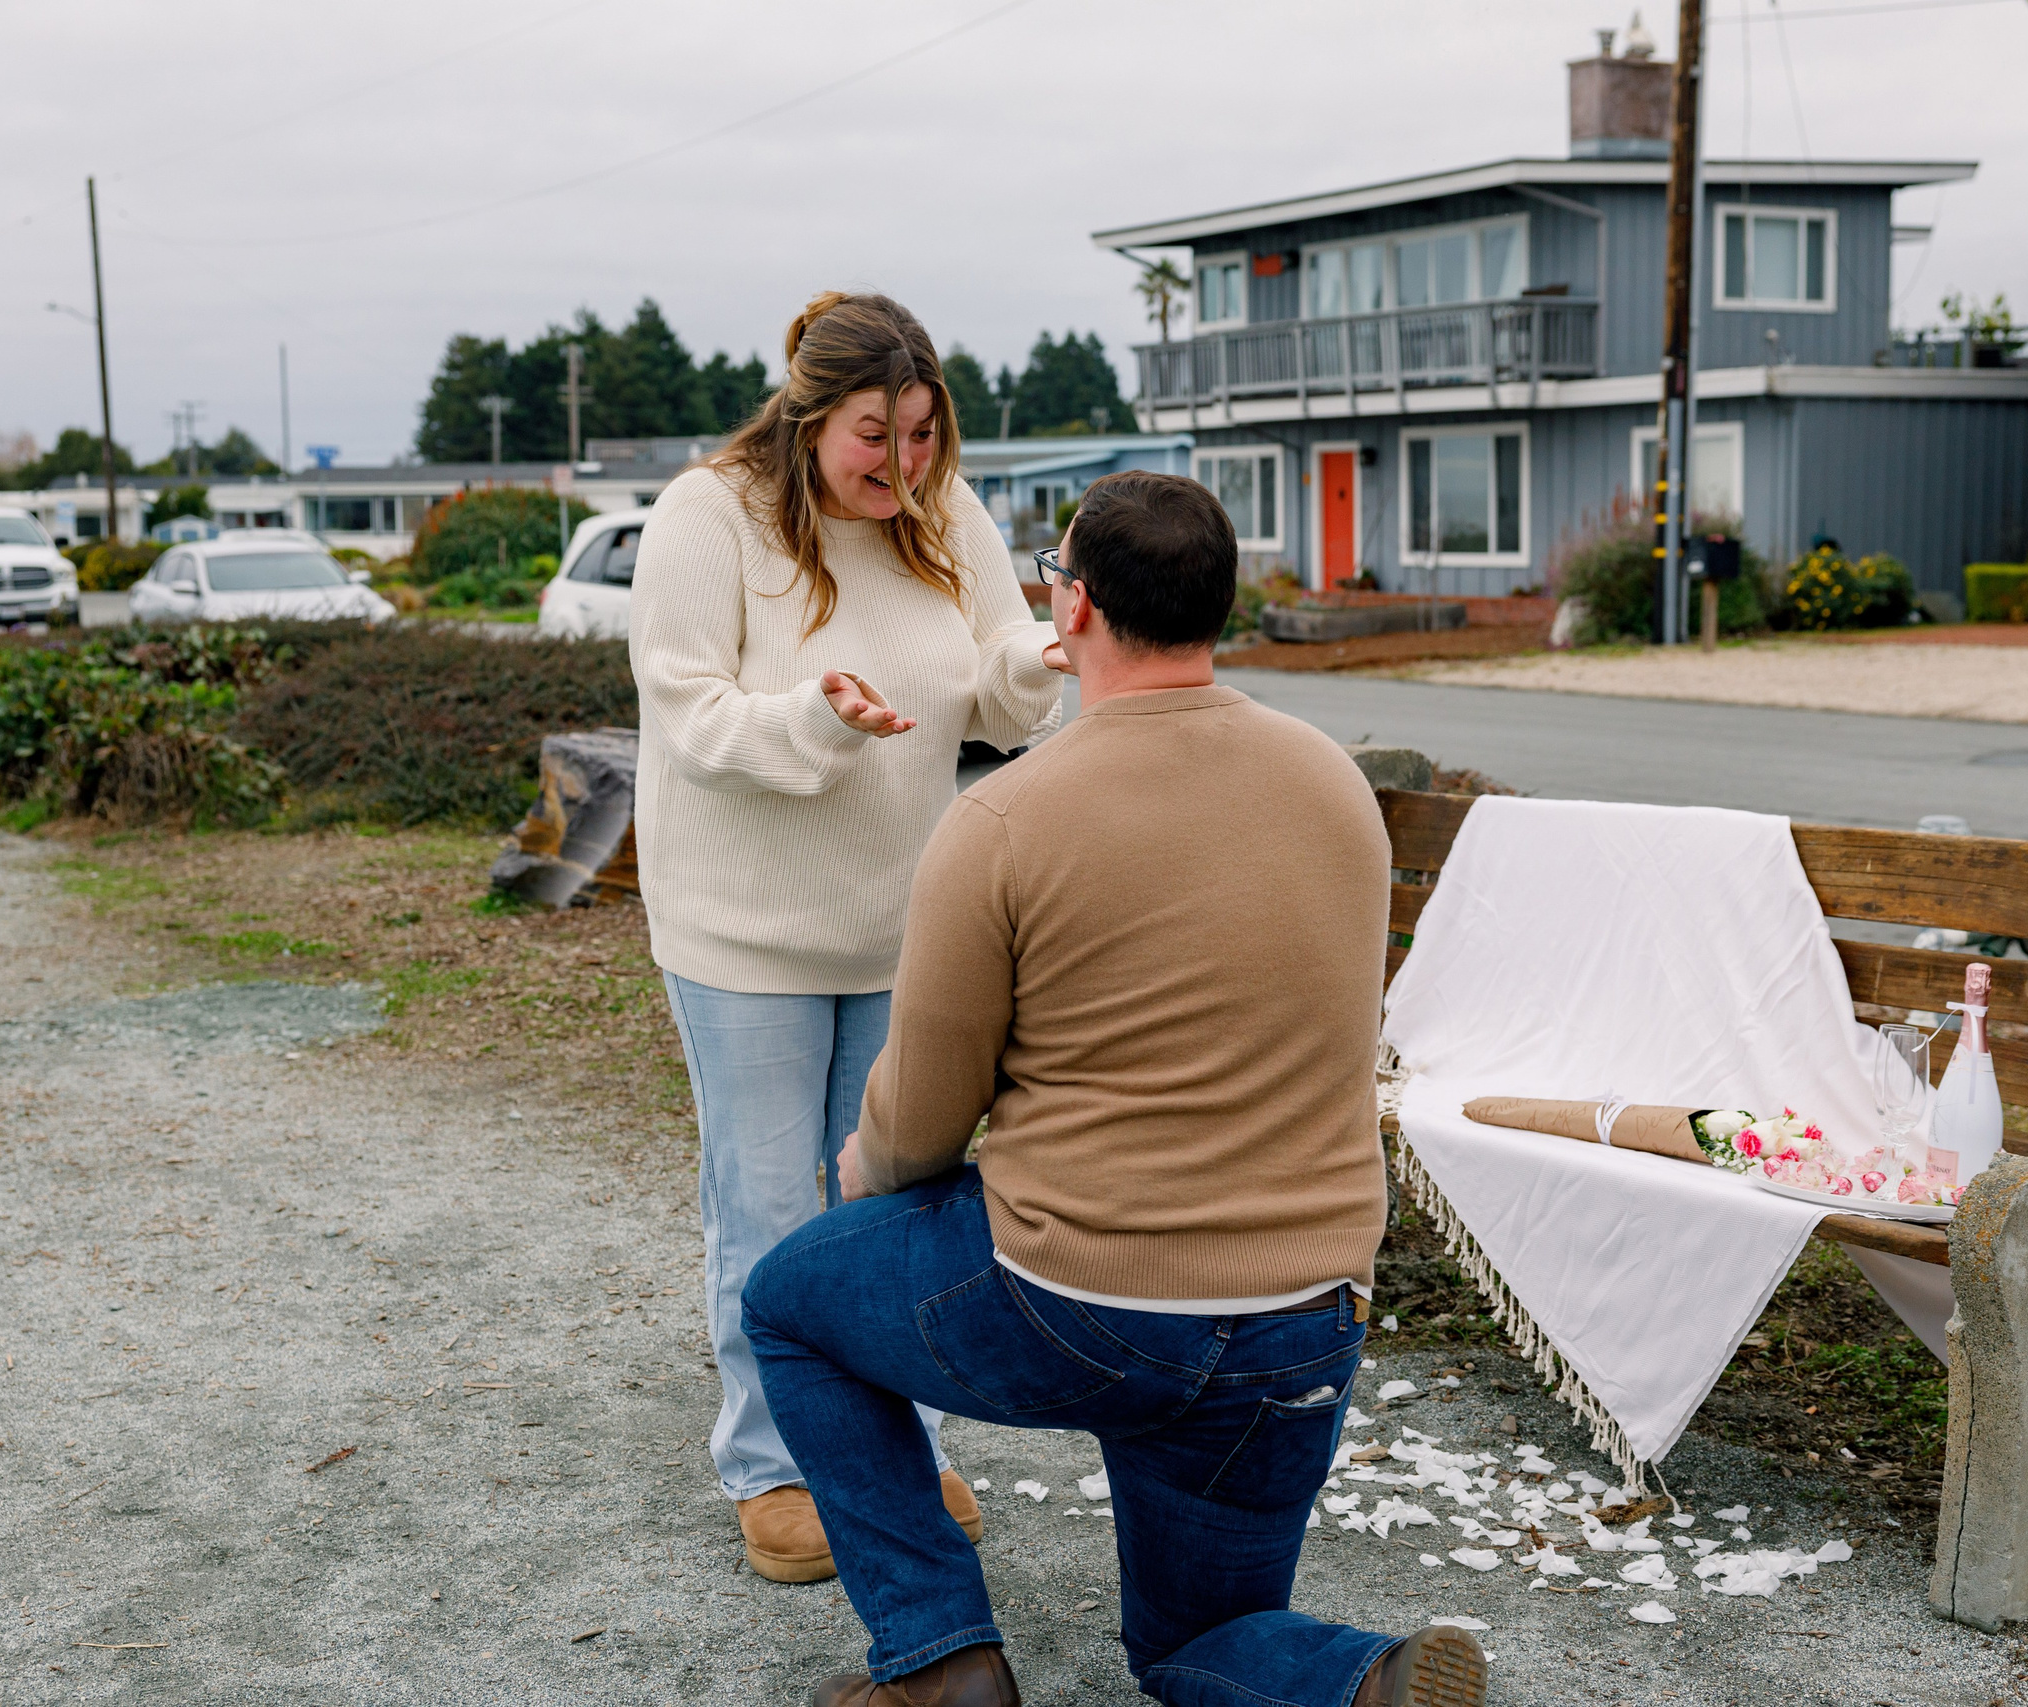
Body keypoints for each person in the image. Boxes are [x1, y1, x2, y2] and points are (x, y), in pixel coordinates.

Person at [744, 470, 1486, 1707]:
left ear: (1070, 607)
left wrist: (868, 1166)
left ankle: (939, 1665)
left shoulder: (1006, 820)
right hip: (1305, 1314)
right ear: (1219, 606)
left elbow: (922, 1126)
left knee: (790, 1303)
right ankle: (1361, 1684)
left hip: (1081, 1300)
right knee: (1196, 1640)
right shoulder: (1331, 786)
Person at [628, 290, 1067, 1584]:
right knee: (765, 1207)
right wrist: (814, 718)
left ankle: (896, 1444)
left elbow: (993, 680)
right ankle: (774, 1467)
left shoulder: (941, 513)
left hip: (900, 928)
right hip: (742, 935)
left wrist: (1044, 652)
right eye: (876, 435)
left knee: (890, 1203)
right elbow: (690, 711)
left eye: (926, 433)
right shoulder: (712, 515)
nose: (905, 463)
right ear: (810, 415)